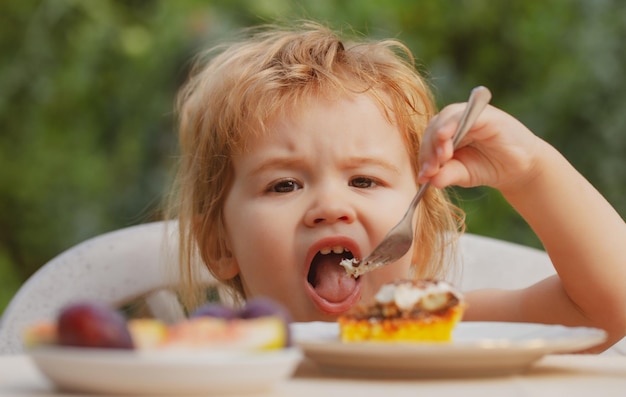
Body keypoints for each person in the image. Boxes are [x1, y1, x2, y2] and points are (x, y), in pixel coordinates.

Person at [167, 21, 626, 352]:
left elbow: (609, 307)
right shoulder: (216, 358)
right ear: (218, 242)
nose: (329, 206)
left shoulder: (440, 331)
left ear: (419, 236)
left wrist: (532, 173)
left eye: (363, 179)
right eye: (284, 185)